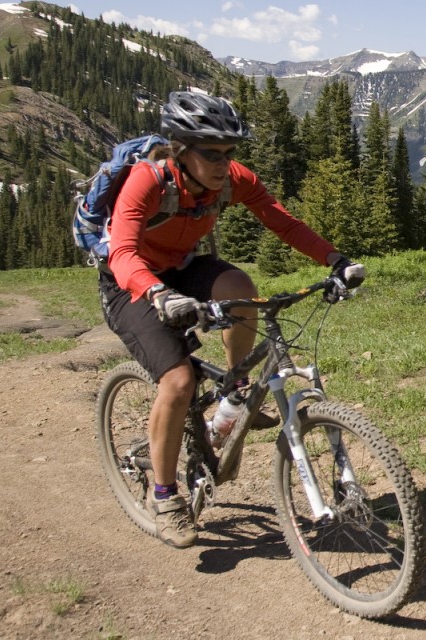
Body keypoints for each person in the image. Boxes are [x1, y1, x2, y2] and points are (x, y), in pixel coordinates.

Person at [100, 90, 362, 549]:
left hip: (182, 268)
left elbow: (282, 222)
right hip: (130, 283)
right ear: (181, 149)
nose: (223, 164)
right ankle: (165, 497)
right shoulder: (148, 181)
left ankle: (235, 391)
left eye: (229, 152)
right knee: (178, 382)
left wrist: (335, 259)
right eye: (211, 153)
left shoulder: (231, 180)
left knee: (241, 290)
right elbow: (121, 250)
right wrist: (157, 294)